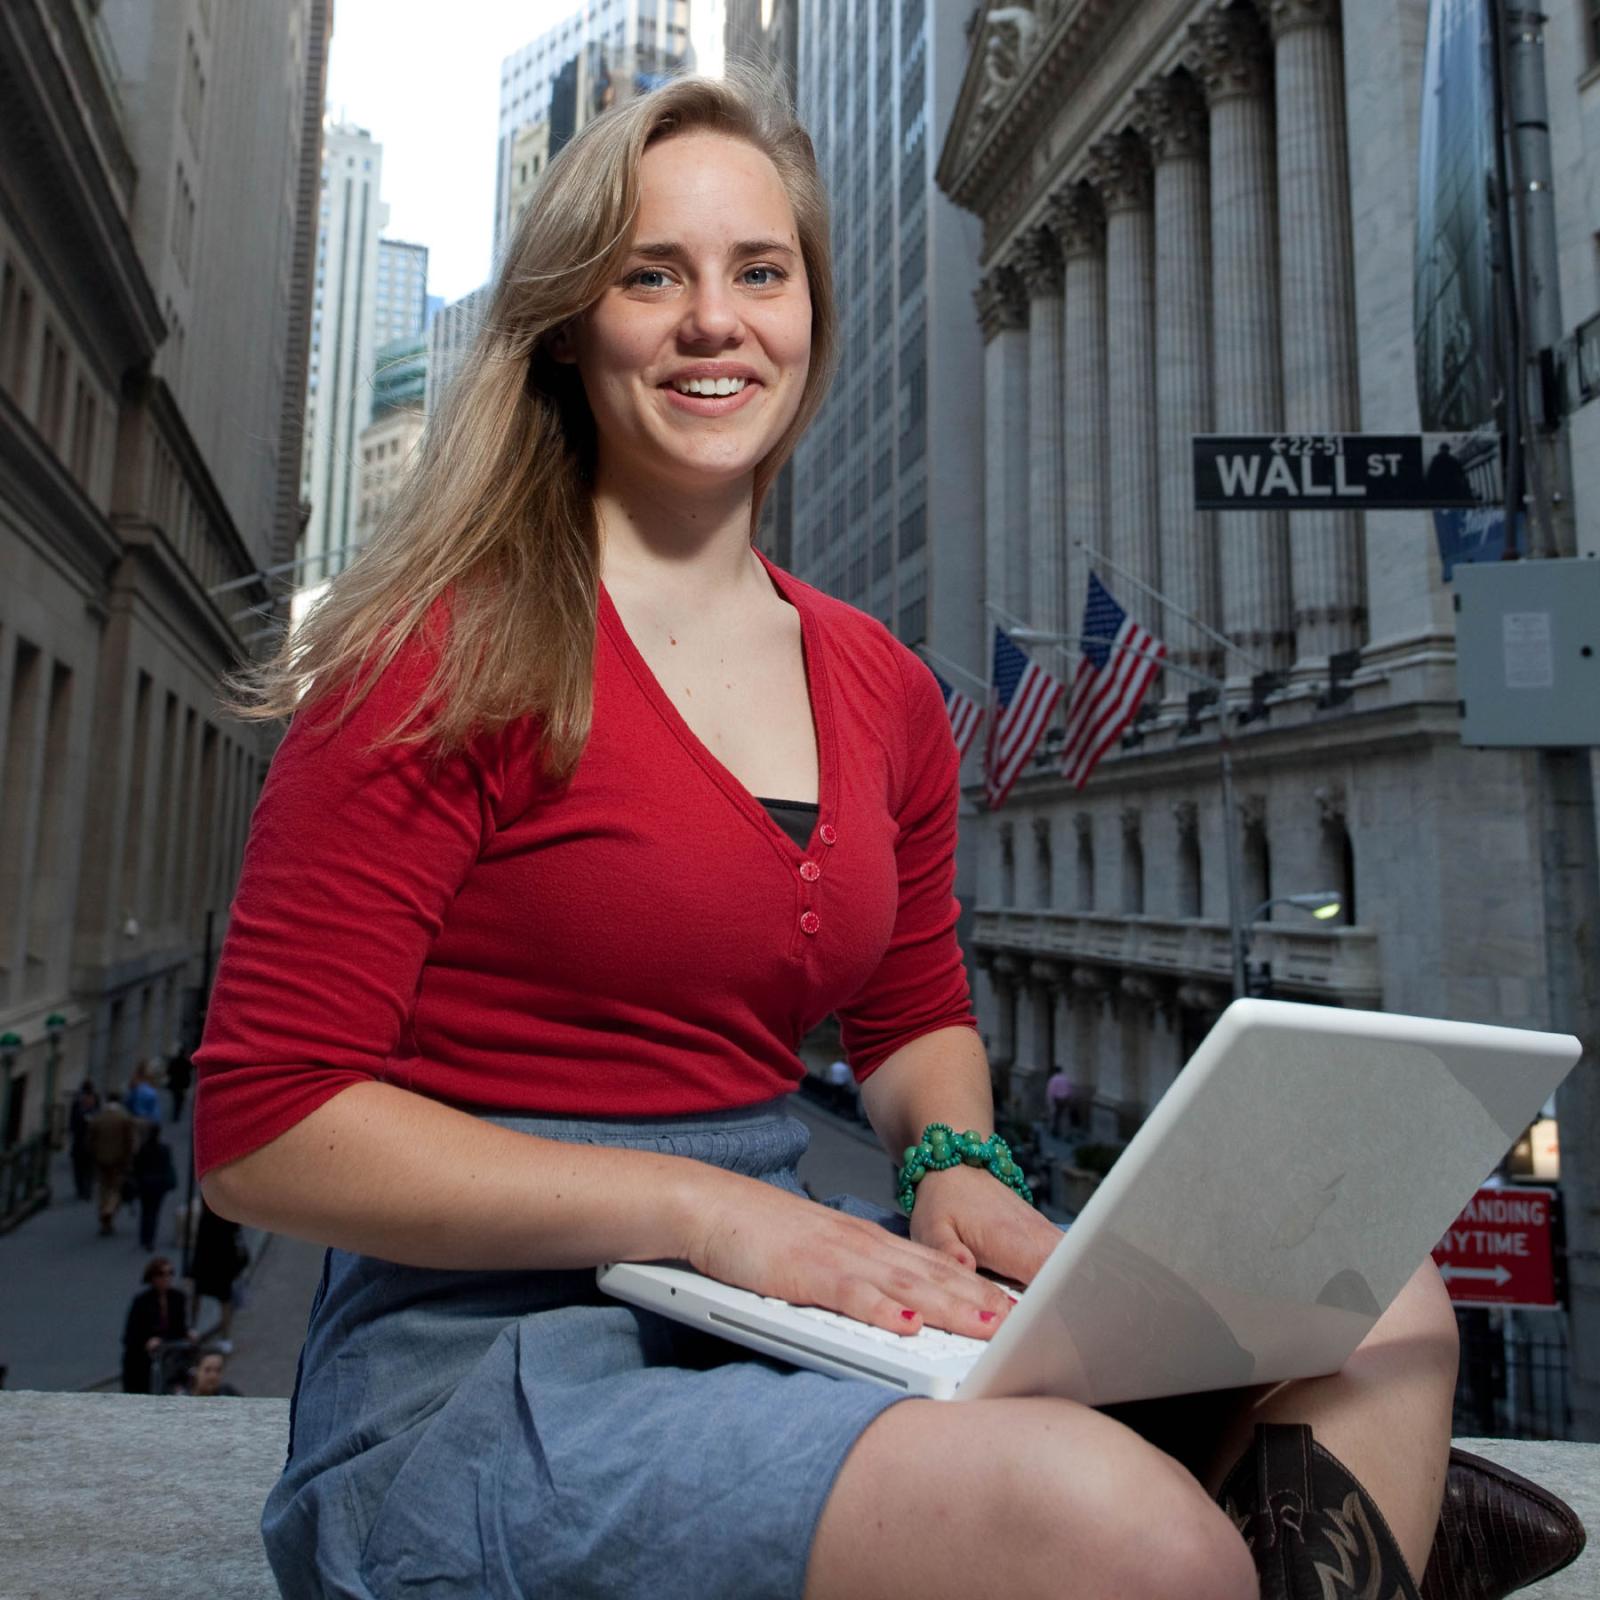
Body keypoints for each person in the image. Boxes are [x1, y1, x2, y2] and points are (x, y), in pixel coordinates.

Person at [188, 70, 1559, 1600]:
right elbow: (266, 1126)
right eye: (656, 274)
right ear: (572, 326)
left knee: (1384, 1298)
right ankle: (1255, 1518)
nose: (718, 321)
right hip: (485, 1374)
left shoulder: (882, 686)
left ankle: (1266, 1535)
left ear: (812, 318)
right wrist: (714, 1213)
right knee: (1129, 1533)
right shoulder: (436, 657)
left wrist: (955, 1167)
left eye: (760, 273)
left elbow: (909, 1015)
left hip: (790, 1308)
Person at [121, 1256, 194, 1395]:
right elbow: (132, 1333)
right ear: (152, 1278)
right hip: (145, 1356)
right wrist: (147, 1341)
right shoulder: (142, 1301)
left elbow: (180, 1326)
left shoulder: (177, 1298)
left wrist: (188, 1333)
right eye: (161, 1274)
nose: (166, 1278)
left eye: (170, 1273)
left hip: (170, 1351)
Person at [187, 1197, 245, 1347]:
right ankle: (225, 1337)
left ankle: (194, 1327)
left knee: (201, 1296)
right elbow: (236, 1241)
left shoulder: (207, 1217)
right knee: (224, 1300)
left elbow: (199, 1244)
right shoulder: (230, 1217)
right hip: (222, 1264)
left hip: (208, 1263)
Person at [87, 1091, 140, 1236]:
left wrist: (94, 1155)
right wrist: (129, 1158)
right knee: (115, 1188)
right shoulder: (124, 1118)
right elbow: (130, 1141)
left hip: (101, 1159)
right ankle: (109, 1210)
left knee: (103, 1187)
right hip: (119, 1160)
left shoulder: (98, 1118)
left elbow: (91, 1140)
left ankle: (105, 1214)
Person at [131, 1121, 179, 1251]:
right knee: (154, 1211)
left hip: (145, 1183)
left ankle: (144, 1236)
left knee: (146, 1210)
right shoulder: (164, 1149)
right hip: (159, 1184)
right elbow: (168, 1166)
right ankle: (149, 1239)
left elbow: (136, 1167)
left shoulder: (143, 1149)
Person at [68, 1079, 100, 1202]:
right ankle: (86, 1189)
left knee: (80, 1167)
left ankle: (82, 1189)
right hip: (87, 1141)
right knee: (88, 1167)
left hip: (80, 1141)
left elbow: (73, 1121)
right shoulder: (93, 1101)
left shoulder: (78, 1102)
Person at [124, 1060, 161, 1125]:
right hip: (148, 1117)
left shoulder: (136, 1080)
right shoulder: (149, 1080)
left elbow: (129, 1100)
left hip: (138, 1115)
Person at [165, 1048, 194, 1121]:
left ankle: (175, 1114)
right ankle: (176, 1114)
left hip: (175, 1084)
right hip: (183, 1085)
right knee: (180, 1100)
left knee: (176, 1099)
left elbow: (169, 1071)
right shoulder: (186, 1062)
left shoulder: (174, 1061)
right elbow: (191, 1069)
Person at [1045, 1068, 1071, 1140]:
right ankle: (1066, 1134)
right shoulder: (1066, 1079)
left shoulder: (1053, 1079)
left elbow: (1050, 1092)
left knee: (1055, 1116)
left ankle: (1055, 1131)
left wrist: (1049, 1102)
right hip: (1065, 1100)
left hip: (1057, 1100)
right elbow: (1069, 1090)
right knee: (1065, 1117)